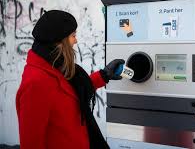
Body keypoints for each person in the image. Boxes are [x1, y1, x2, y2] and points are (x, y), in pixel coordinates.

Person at [16, 10, 124, 149]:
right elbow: (31, 144)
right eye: (73, 36)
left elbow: (71, 93)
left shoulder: (55, 66)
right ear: (59, 42)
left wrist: (104, 75)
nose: (76, 40)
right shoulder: (36, 84)